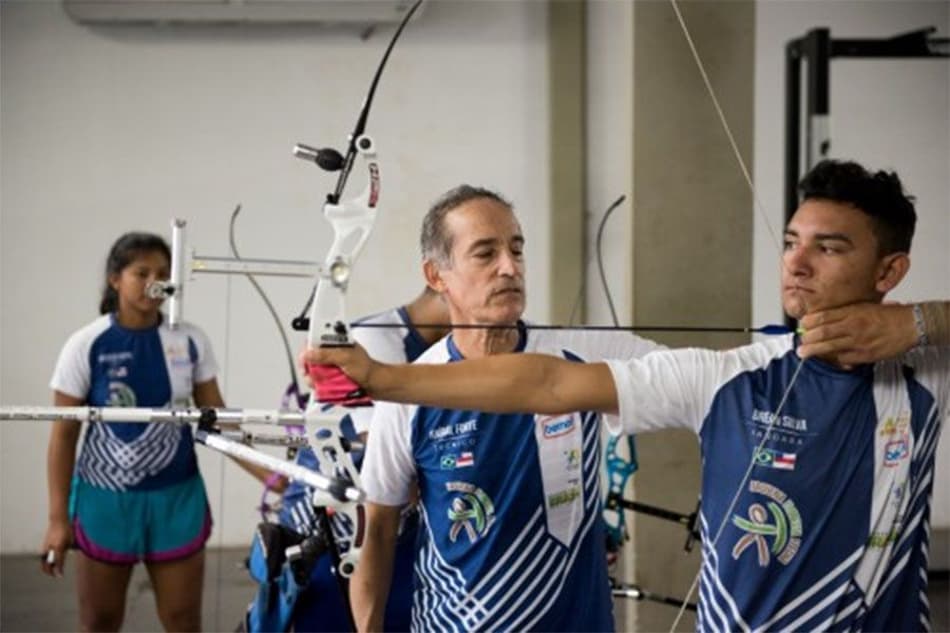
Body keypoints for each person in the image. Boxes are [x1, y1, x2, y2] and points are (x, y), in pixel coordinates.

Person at [304, 160, 950, 631]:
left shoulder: (923, 369)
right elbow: (547, 383)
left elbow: (551, 372)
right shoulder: (727, 375)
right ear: (437, 275)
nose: (796, 264)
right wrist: (384, 378)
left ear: (889, 271)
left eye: (827, 248)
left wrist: (915, 323)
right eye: (789, 244)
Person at [311, 184, 665, 632]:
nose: (509, 267)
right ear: (437, 276)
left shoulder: (584, 354)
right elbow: (379, 529)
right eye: (485, 253)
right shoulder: (415, 388)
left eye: (517, 250)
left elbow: (704, 379)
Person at [41, 231, 225, 632]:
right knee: (100, 621)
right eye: (141, 272)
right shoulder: (86, 343)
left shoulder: (191, 340)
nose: (153, 283)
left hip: (177, 500)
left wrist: (275, 474)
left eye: (162, 273)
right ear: (115, 279)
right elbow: (63, 437)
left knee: (182, 621)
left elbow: (220, 421)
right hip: (105, 503)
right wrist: (58, 519)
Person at [266, 289, 450, 632]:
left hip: (395, 524)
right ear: (442, 281)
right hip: (330, 533)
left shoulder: (455, 347)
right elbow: (396, 463)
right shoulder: (372, 338)